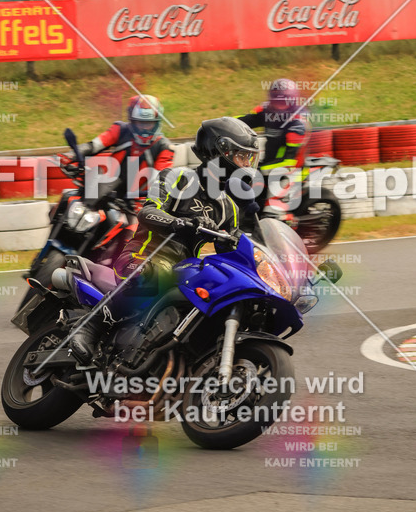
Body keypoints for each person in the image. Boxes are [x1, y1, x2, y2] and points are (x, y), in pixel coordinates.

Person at [69, 116, 260, 363]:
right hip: (145, 255)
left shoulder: (230, 208)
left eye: (249, 157)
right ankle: (89, 328)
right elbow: (146, 212)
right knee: (155, 274)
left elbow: (240, 246)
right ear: (218, 151)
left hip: (185, 270)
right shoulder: (178, 178)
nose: (246, 164)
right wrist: (183, 224)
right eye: (240, 156)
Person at [78, 94, 174, 205]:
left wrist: (143, 198)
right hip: (104, 192)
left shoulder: (165, 147)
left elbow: (159, 180)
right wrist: (73, 155)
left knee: (138, 222)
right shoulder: (120, 129)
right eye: (140, 122)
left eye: (149, 123)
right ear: (132, 121)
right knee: (71, 200)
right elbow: (95, 145)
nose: (144, 128)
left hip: (136, 201)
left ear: (157, 122)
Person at [238, 78, 310, 209]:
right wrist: (223, 124)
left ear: (292, 101)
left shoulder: (298, 123)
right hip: (270, 164)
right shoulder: (266, 111)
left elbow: (289, 162)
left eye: (283, 101)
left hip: (292, 170)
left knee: (267, 208)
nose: (278, 105)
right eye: (275, 100)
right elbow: (245, 121)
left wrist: (259, 170)